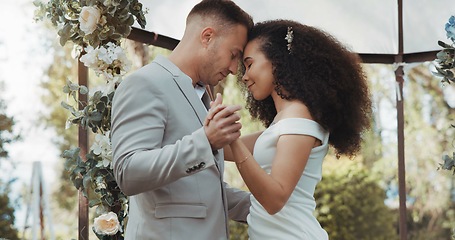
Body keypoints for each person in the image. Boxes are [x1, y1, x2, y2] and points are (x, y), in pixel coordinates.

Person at [207, 19, 372, 239]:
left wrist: (234, 139)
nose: (244, 76)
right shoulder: (284, 121)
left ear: (277, 61)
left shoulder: (299, 116)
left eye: (249, 64)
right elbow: (222, 148)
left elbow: (274, 200)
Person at [110, 1, 253, 239]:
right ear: (207, 36)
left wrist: (270, 207)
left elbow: (198, 194)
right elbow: (128, 172)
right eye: (234, 55)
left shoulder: (202, 95)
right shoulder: (145, 83)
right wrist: (205, 142)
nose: (234, 69)